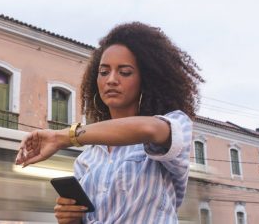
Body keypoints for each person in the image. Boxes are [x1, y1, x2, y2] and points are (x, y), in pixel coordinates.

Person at [15, 22, 204, 224]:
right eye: (104, 72)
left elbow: (147, 128)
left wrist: (61, 137)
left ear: (147, 79)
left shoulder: (174, 125)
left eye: (124, 72)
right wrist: (72, 219)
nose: (111, 80)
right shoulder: (88, 157)